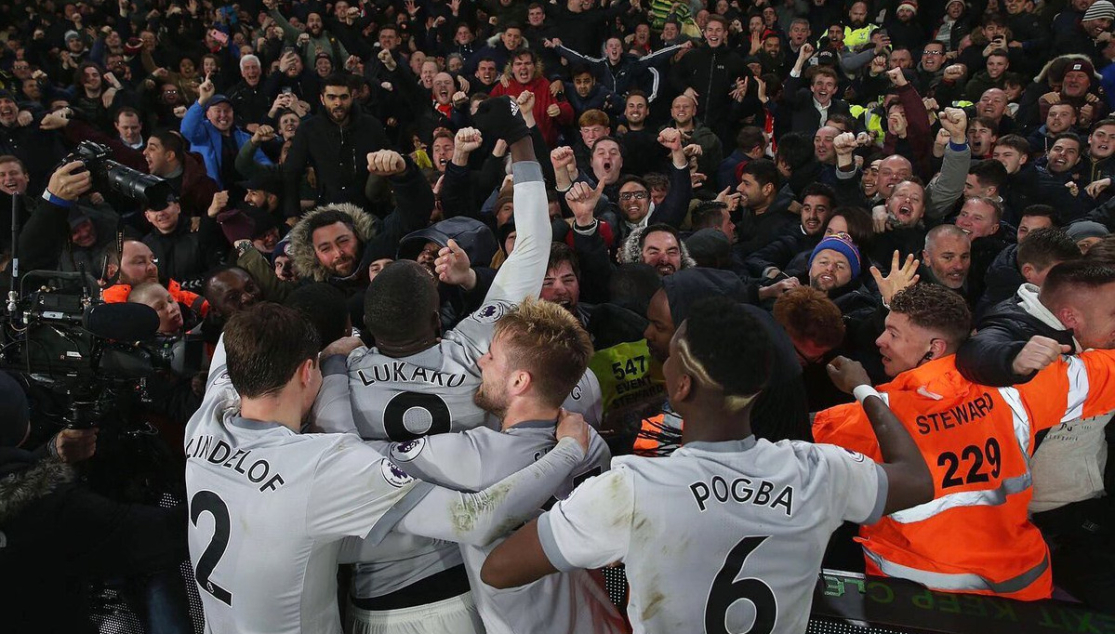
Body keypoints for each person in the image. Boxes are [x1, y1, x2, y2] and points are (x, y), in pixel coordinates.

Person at [480, 296, 934, 633]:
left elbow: (499, 569)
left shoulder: (631, 490)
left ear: (680, 387)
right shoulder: (820, 471)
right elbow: (916, 480)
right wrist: (866, 390)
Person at [184, 302, 594, 634]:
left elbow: (228, 344)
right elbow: (475, 520)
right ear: (306, 372)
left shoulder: (203, 424)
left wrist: (323, 354)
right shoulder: (323, 464)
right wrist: (568, 451)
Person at [814, 283, 1115, 601]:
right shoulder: (1017, 387)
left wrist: (859, 390)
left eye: (893, 333)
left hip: (912, 599)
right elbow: (1104, 373)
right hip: (1021, 591)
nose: (880, 341)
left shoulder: (868, 417)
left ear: (934, 348)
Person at [360, 297, 626, 634]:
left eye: (492, 356)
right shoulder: (590, 442)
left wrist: (340, 364)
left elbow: (357, 457)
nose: (480, 361)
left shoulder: (474, 457)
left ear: (519, 382)